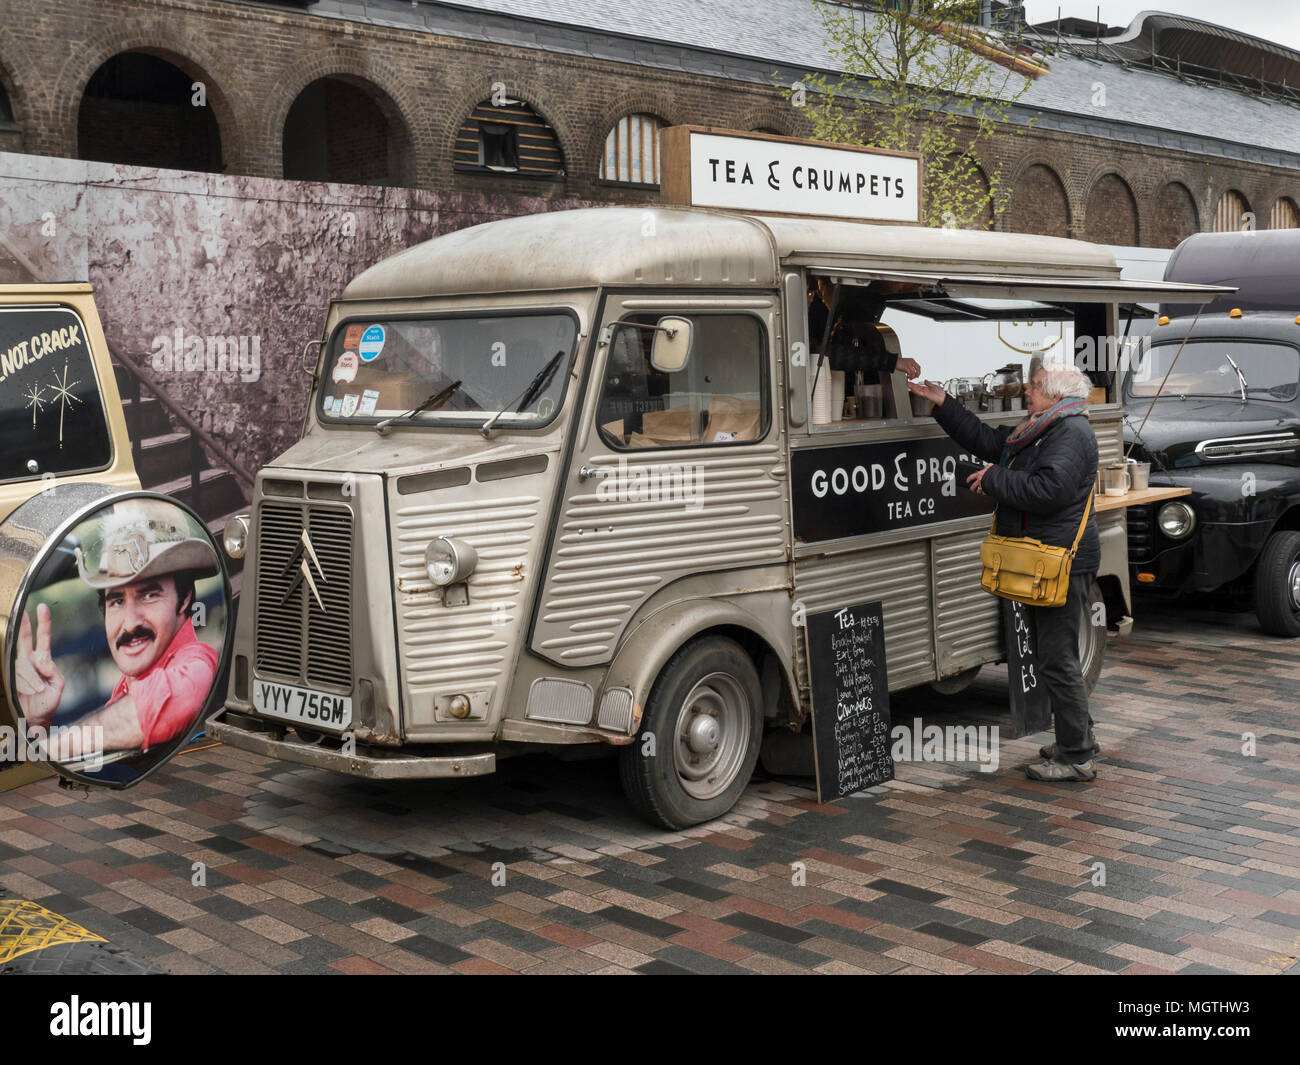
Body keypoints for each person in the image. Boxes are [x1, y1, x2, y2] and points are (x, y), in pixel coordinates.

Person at [908, 363, 1102, 781]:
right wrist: (945, 404)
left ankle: (1076, 757)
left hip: (1058, 561)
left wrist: (995, 479)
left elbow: (1048, 490)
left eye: (1034, 387)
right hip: (1041, 557)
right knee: (1052, 655)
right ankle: (1076, 736)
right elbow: (992, 444)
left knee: (1057, 658)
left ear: (1055, 394)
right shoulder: (1042, 427)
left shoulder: (1070, 433)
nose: (1027, 392)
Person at [13, 500, 221, 761]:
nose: (130, 622)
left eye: (149, 595)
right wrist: (36, 722)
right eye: (117, 601)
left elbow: (171, 703)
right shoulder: (129, 684)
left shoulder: (197, 663)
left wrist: (41, 750)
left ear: (185, 598)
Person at [809, 280, 921, 379]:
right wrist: (891, 361)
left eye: (819, 290)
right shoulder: (812, 326)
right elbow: (831, 355)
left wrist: (891, 361)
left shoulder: (843, 322)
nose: (820, 296)